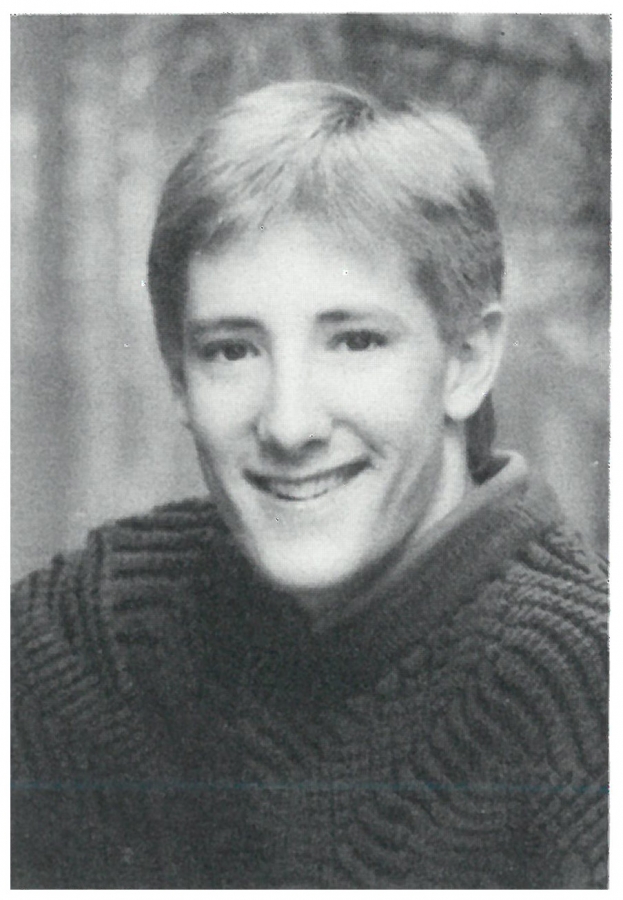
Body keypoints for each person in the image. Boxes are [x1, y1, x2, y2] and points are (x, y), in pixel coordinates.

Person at [11, 80, 608, 889]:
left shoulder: (588, 696)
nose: (289, 425)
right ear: (180, 380)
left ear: (466, 361)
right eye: (231, 350)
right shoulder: (97, 627)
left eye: (354, 341)